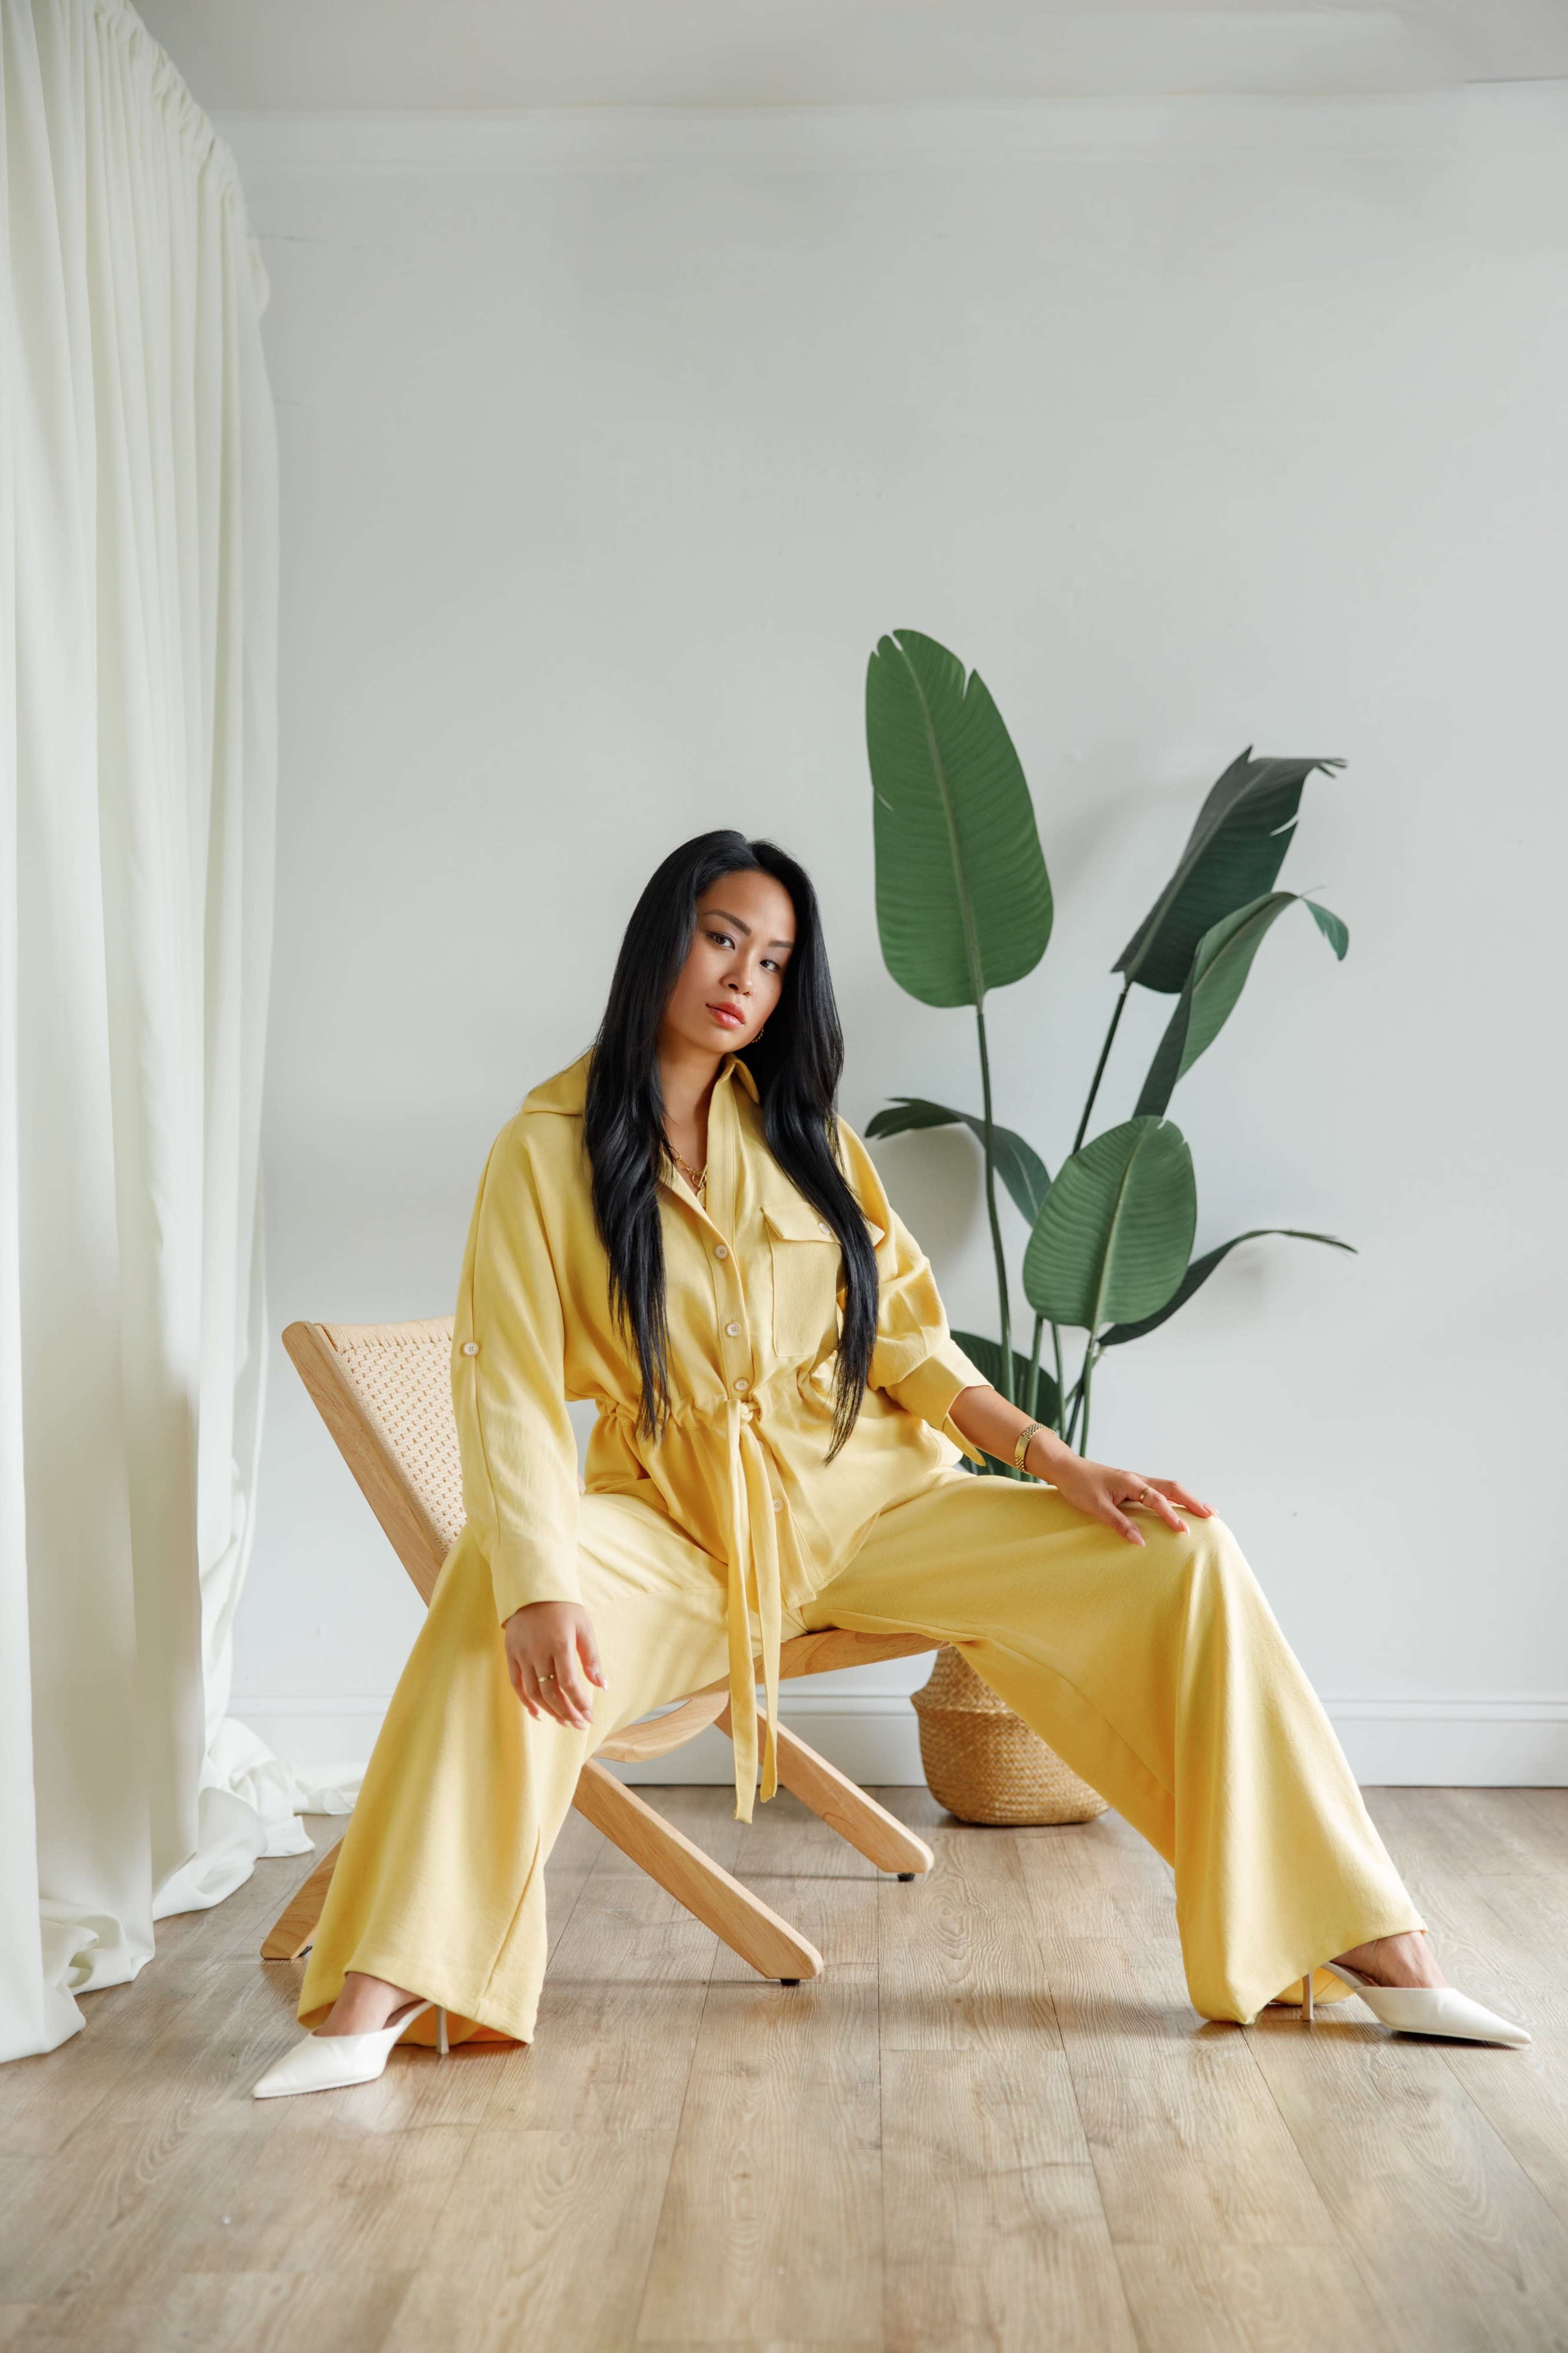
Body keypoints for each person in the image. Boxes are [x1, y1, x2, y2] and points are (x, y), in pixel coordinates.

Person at [252, 830, 1526, 2099]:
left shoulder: (807, 1134)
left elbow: (911, 1338)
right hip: (690, 1536)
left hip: (879, 1502)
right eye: (720, 937)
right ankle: (381, 1987)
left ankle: (1368, 1940)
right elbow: (513, 1386)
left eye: (774, 956)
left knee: (1186, 1557)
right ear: (664, 936)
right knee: (495, 1582)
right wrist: (540, 1580)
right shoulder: (545, 1150)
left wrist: (1052, 1459)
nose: (743, 975)